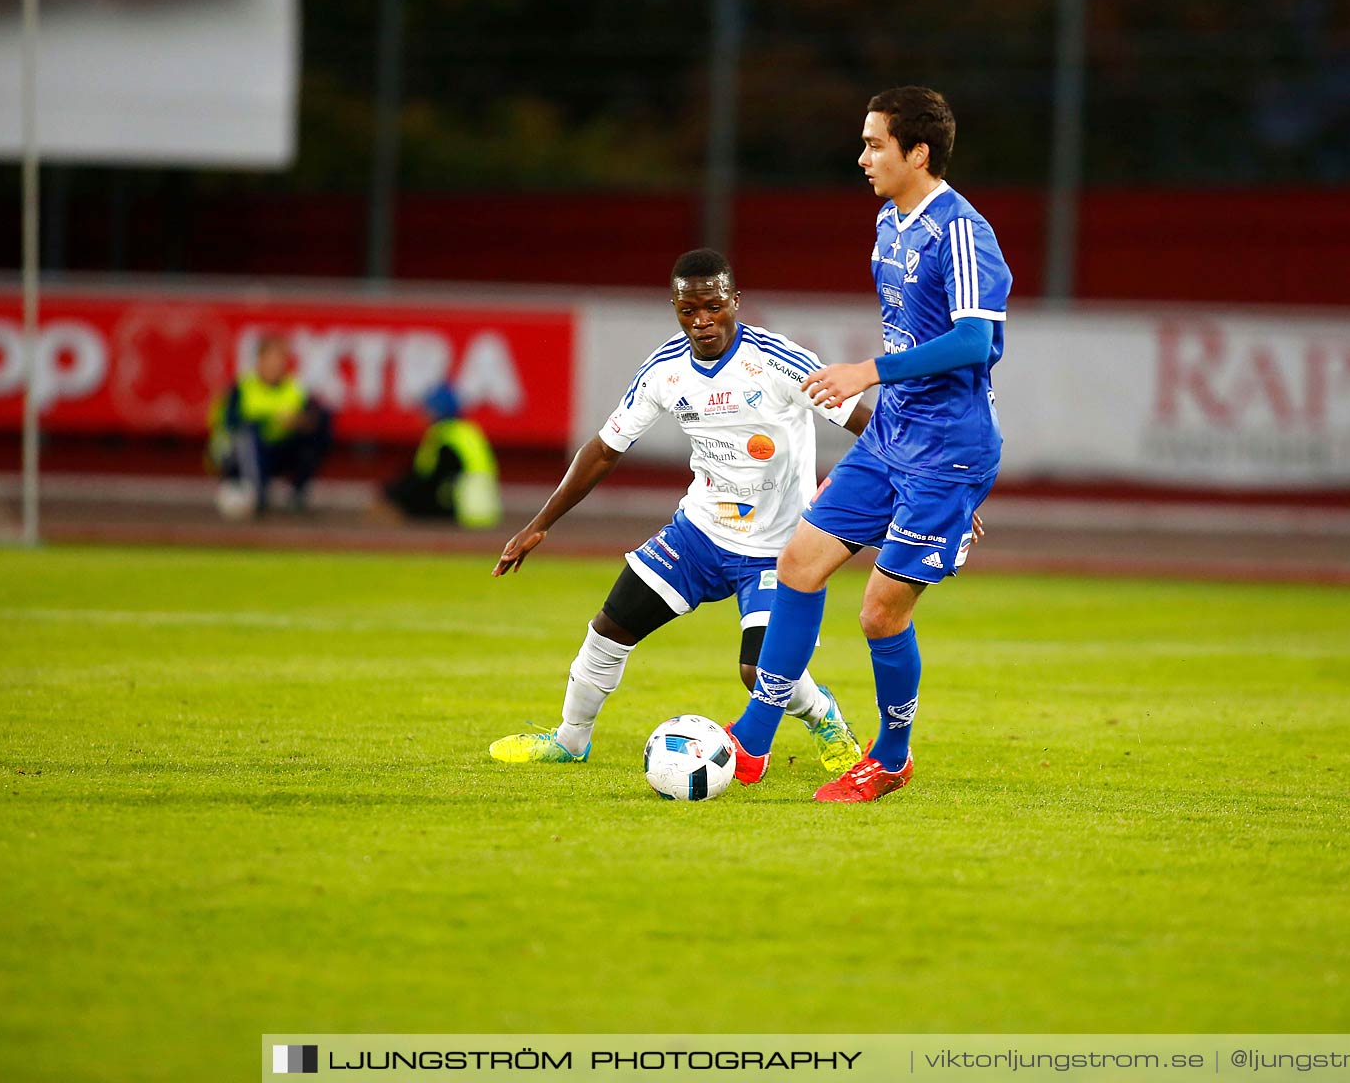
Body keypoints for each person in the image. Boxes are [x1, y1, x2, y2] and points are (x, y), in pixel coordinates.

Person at [723, 85, 1011, 802]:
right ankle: (753, 741)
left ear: (918, 152)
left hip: (947, 450)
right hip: (891, 439)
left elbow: (976, 341)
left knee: (880, 612)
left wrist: (868, 372)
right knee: (798, 564)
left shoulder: (962, 231)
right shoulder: (889, 224)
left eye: (874, 143)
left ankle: (891, 754)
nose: (861, 158)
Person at [486, 248, 872, 771]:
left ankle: (825, 717)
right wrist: (540, 524)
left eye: (713, 306)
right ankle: (569, 740)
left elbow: (872, 429)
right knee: (608, 629)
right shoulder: (665, 371)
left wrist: (930, 495)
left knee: (758, 672)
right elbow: (603, 450)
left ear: (735, 301)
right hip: (698, 535)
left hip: (777, 550)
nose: (701, 321)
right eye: (688, 310)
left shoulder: (780, 361)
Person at [208, 332, 332, 518]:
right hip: (239, 454)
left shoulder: (295, 389)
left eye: (280, 359)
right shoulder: (243, 387)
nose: (275, 364)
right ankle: (256, 493)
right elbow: (230, 423)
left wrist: (299, 421)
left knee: (320, 432)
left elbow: (316, 417)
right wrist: (270, 418)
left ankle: (296, 492)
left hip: (277, 450)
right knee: (247, 437)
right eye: (270, 358)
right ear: (259, 360)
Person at [382, 382, 503, 529]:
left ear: (437, 411)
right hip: (485, 511)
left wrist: (392, 495)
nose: (422, 414)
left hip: (463, 512)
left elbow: (427, 478)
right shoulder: (467, 431)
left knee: (414, 500)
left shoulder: (444, 436)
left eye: (427, 409)